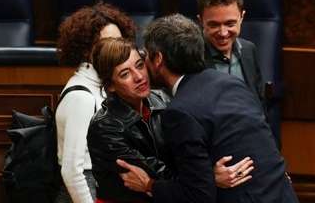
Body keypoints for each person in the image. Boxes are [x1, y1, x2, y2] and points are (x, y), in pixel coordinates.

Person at [116, 13, 298, 203]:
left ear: (158, 59)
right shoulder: (231, 82)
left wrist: (149, 184)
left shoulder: (179, 113)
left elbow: (198, 195)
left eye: (146, 55)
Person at [87, 37, 255, 203]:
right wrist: (208, 180)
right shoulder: (104, 126)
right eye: (125, 74)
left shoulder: (162, 98)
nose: (139, 76)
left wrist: (202, 178)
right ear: (110, 86)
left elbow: (189, 152)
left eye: (140, 65)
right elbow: (153, 172)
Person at [55, 1, 137, 203]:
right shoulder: (82, 96)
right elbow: (72, 172)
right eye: (106, 43)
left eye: (119, 41)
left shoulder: (102, 83)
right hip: (83, 191)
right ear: (85, 50)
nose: (116, 49)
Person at [196, 0, 281, 149]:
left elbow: (259, 107)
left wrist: (269, 147)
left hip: (254, 144)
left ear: (242, 17)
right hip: (216, 152)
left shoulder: (249, 50)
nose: (223, 33)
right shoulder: (192, 58)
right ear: (200, 20)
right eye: (213, 24)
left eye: (230, 23)